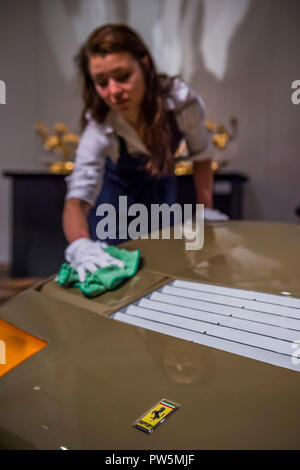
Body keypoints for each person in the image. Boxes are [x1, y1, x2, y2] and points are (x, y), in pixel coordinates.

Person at [62, 23, 214, 281]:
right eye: (101, 82)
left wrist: (204, 212)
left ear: (144, 64)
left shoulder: (182, 103)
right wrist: (79, 245)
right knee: (114, 268)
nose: (113, 91)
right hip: (116, 193)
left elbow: (202, 157)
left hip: (161, 183)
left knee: (163, 265)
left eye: (122, 76)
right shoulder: (100, 126)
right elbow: (77, 199)